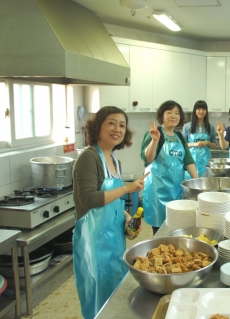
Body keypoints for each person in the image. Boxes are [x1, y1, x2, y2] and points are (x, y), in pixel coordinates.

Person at [72, 106, 147, 319]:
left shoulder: (115, 161)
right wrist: (127, 188)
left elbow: (114, 203)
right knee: (97, 301)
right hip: (93, 245)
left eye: (122, 125)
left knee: (114, 299)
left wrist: (127, 219)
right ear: (98, 127)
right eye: (111, 123)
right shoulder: (89, 158)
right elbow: (88, 199)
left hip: (114, 243)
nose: (117, 129)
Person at [140, 100, 198, 235]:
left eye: (177, 113)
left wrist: (198, 183)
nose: (174, 116)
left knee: (175, 225)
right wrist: (154, 141)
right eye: (169, 112)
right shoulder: (154, 133)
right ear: (162, 115)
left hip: (175, 189)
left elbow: (188, 160)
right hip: (156, 189)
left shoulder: (180, 136)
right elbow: (147, 158)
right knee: (159, 228)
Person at [182, 100, 217, 179]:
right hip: (191, 160)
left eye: (203, 109)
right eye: (198, 109)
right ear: (195, 111)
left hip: (205, 160)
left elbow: (214, 145)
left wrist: (207, 142)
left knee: (205, 183)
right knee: (192, 183)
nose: (201, 111)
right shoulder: (187, 126)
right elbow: (183, 144)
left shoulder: (210, 127)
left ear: (206, 111)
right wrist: (195, 144)